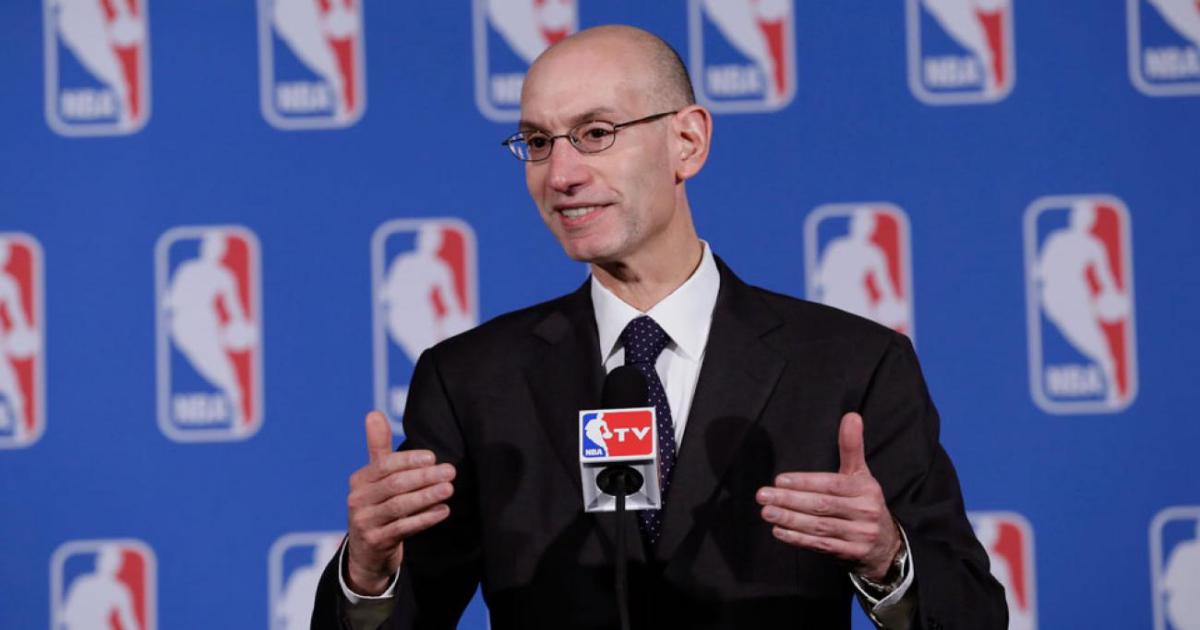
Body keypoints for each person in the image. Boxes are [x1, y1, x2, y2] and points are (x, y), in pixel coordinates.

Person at [313, 25, 1005, 629]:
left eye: (595, 133)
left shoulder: (851, 365)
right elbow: (402, 613)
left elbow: (972, 612)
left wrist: (888, 559)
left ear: (688, 142)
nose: (561, 174)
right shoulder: (472, 380)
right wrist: (368, 573)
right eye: (538, 142)